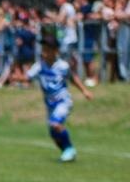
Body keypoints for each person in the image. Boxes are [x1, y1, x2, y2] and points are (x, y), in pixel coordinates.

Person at [35, 33, 91, 162]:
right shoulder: (39, 66)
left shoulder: (62, 66)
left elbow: (73, 78)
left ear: (55, 51)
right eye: (43, 50)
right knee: (53, 134)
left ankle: (70, 149)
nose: (44, 53)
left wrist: (84, 91)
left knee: (56, 124)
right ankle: (67, 151)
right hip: (50, 105)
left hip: (63, 102)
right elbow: (26, 76)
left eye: (47, 50)